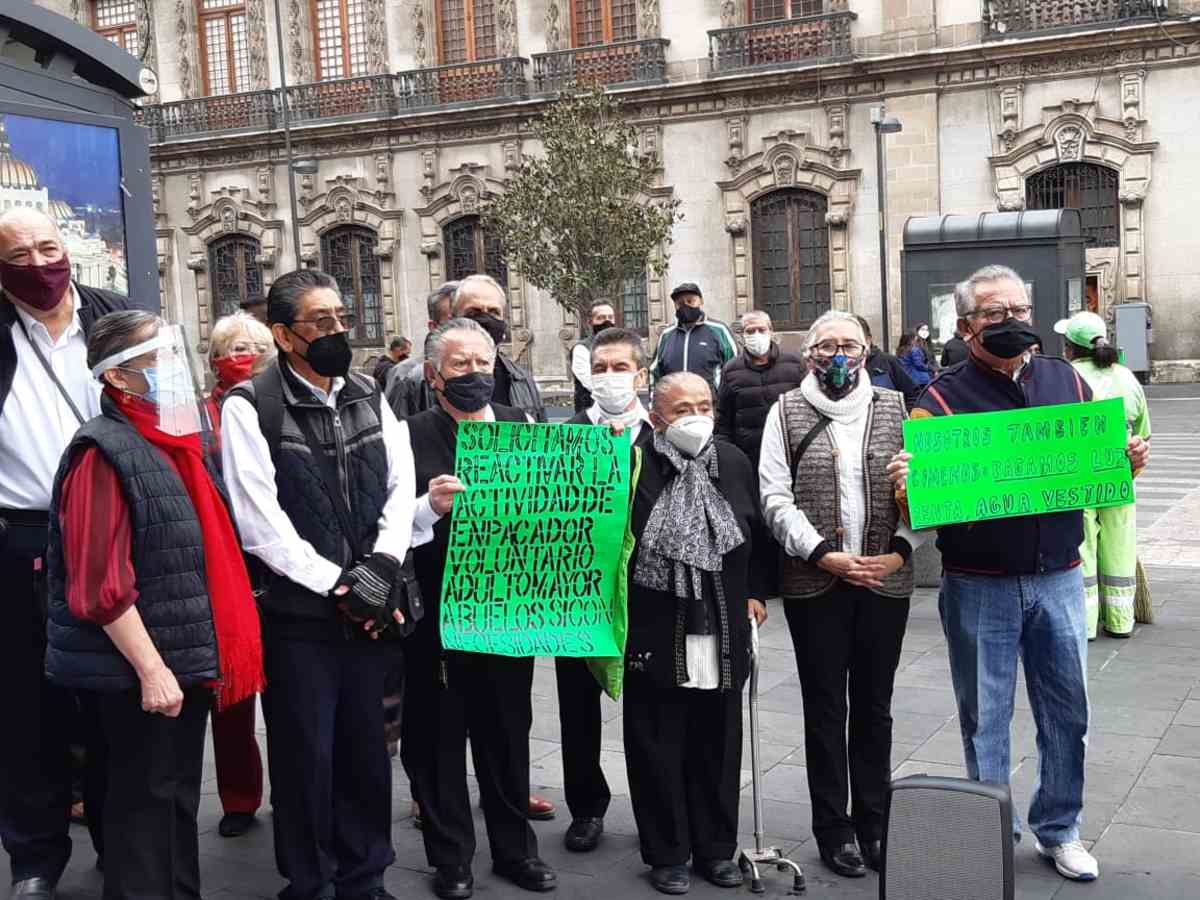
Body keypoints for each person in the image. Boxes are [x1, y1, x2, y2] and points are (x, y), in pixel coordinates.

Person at [887, 265, 1149, 883]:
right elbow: (919, 509)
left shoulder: (1070, 382)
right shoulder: (940, 401)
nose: (1010, 323)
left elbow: (1097, 475)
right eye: (994, 315)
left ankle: (1059, 829)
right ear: (966, 325)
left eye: (1018, 310)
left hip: (1060, 575)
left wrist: (1126, 463)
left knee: (1068, 712)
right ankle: (992, 831)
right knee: (986, 716)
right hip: (979, 584)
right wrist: (908, 486)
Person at [44, 311, 264, 900]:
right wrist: (153, 672)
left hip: (179, 656)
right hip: (143, 672)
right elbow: (99, 586)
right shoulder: (103, 452)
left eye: (174, 357)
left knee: (171, 804)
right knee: (145, 810)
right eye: (158, 361)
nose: (175, 372)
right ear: (119, 379)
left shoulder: (174, 444)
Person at [221, 268, 418, 900]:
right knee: (306, 754)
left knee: (366, 751)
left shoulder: (369, 391)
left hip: (371, 607)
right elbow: (260, 523)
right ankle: (308, 879)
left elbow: (400, 484)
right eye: (320, 321)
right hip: (300, 618)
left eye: (341, 317)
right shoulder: (250, 405)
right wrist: (339, 585)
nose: (337, 330)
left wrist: (383, 566)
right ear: (282, 334)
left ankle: (366, 874)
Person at [759, 311, 921, 878]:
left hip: (885, 579)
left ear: (868, 350)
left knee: (874, 707)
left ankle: (874, 821)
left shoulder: (899, 408)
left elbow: (929, 492)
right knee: (825, 708)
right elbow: (774, 497)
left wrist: (902, 549)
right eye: (826, 345)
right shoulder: (786, 410)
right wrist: (821, 551)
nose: (837, 355)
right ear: (808, 356)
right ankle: (834, 828)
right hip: (815, 582)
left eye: (849, 344)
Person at [403, 318, 556, 899]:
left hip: (509, 613)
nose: (473, 374)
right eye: (460, 364)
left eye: (483, 364)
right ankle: (452, 860)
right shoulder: (410, 434)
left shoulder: (524, 427)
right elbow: (391, 527)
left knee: (508, 735)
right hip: (438, 620)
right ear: (433, 374)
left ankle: (517, 852)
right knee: (440, 740)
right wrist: (429, 507)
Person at [0, 208, 124, 900]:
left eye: (50, 247)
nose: (41, 263)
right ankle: (34, 858)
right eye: (20, 255)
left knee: (114, 698)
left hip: (112, 532)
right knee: (27, 707)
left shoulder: (115, 318)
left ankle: (120, 838)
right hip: (21, 538)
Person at [623, 372, 769, 896]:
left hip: (723, 622)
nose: (695, 415)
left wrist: (754, 591)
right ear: (656, 416)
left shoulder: (731, 461)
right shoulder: (633, 464)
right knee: (657, 739)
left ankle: (714, 848)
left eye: (704, 405)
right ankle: (666, 852)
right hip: (657, 623)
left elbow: (754, 533)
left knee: (719, 739)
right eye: (681, 407)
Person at [557, 327, 653, 855]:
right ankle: (586, 808)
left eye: (621, 368)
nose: (610, 377)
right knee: (577, 710)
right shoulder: (567, 434)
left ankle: (652, 809)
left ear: (641, 375)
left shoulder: (659, 435)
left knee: (646, 711)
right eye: (601, 368)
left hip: (643, 596)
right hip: (577, 597)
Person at [204, 312, 275, 840]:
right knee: (229, 695)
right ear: (214, 360)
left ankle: (297, 788)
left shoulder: (278, 405)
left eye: (255, 346)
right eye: (235, 348)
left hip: (280, 567)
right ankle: (239, 796)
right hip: (224, 568)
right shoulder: (197, 417)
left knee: (293, 693)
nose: (246, 355)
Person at [1055, 311, 1152, 639]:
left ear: (1069, 348)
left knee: (1082, 547)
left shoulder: (1063, 377)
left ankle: (1084, 624)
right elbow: (1143, 433)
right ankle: (1122, 620)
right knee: (1120, 546)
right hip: (1118, 477)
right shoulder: (1126, 377)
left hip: (1076, 478)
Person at [715, 310, 805, 469]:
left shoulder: (795, 363)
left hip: (789, 453)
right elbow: (724, 418)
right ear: (742, 335)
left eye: (762, 330)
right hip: (749, 457)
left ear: (771, 331)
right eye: (750, 331)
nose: (756, 334)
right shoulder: (731, 370)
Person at [452, 274, 546, 423]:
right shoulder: (421, 381)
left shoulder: (522, 379)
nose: (486, 319)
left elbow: (540, 440)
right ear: (455, 319)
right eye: (474, 313)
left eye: (494, 312)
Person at [386, 283, 456, 420]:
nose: (466, 327)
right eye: (454, 322)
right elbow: (398, 435)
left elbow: (489, 437)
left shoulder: (502, 369)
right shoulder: (404, 376)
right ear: (433, 327)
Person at [649, 283, 736, 393]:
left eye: (690, 301)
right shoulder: (666, 335)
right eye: (680, 303)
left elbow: (735, 369)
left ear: (701, 301)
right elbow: (655, 372)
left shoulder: (719, 330)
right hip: (674, 405)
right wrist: (655, 405)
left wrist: (725, 405)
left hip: (708, 406)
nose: (685, 306)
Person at [855, 315, 920, 410]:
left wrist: (901, 419)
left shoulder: (888, 362)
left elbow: (913, 395)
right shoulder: (833, 367)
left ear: (868, 340)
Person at [570, 302, 617, 413]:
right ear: (590, 322)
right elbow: (591, 383)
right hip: (590, 415)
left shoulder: (621, 346)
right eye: (601, 318)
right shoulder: (582, 349)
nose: (607, 321)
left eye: (610, 317)